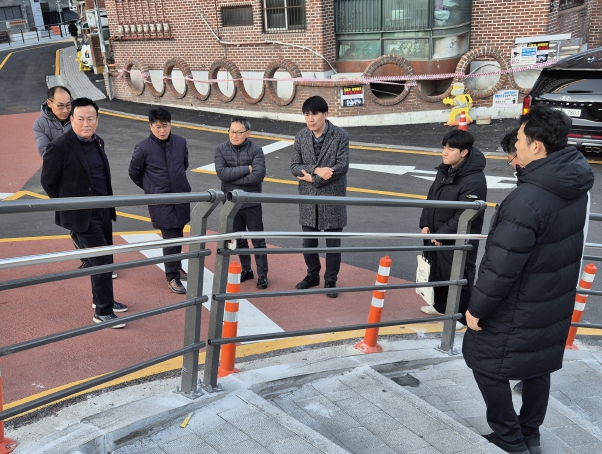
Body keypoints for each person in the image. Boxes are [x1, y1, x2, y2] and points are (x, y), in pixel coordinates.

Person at [463, 104, 594, 454]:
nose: (516, 145)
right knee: (537, 366)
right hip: (553, 297)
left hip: (519, 301)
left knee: (483, 361)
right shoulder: (573, 184)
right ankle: (530, 433)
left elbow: (502, 265)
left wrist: (476, 309)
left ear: (536, 146)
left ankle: (511, 439)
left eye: (520, 139)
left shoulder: (527, 199)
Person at [41, 98, 128, 328]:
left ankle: (102, 299)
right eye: (80, 119)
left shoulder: (98, 142)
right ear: (72, 119)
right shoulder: (59, 146)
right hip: (82, 215)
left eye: (90, 118)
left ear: (97, 120)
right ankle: (103, 312)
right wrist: (69, 206)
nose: (86, 123)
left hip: (104, 211)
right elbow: (48, 182)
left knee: (103, 259)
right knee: (102, 261)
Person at [419, 130, 487, 328]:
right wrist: (426, 223)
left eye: (450, 149)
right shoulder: (445, 170)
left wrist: (442, 234)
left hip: (459, 237)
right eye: (444, 148)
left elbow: (466, 213)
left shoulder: (474, 179)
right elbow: (431, 198)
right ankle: (441, 306)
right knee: (438, 270)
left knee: (459, 273)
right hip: (437, 233)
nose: (445, 152)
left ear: (464, 152)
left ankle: (461, 317)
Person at [290, 96, 349, 298]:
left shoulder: (340, 135)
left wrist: (312, 179)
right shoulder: (301, 136)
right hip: (308, 199)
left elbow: (341, 166)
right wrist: (317, 170)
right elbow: (294, 166)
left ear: (325, 114)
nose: (310, 119)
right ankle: (312, 275)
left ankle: (331, 280)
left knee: (333, 244)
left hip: (333, 198)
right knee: (308, 243)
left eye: (314, 114)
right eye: (307, 114)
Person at [129, 108, 191, 294]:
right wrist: (151, 188)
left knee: (178, 232)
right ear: (151, 126)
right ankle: (172, 276)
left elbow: (184, 165)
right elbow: (134, 173)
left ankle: (177, 266)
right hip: (161, 200)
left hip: (180, 196)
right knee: (170, 237)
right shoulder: (143, 148)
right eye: (157, 127)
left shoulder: (180, 142)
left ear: (170, 125)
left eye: (165, 126)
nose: (162, 130)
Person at [215, 117, 268, 289]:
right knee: (238, 239)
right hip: (231, 203)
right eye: (231, 131)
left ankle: (262, 275)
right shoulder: (220, 149)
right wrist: (247, 169)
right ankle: (247, 269)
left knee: (258, 240)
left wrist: (233, 179)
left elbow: (258, 176)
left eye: (239, 132)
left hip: (252, 202)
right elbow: (222, 174)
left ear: (248, 133)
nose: (234, 135)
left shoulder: (256, 150)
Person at [33, 86, 72, 158]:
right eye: (60, 106)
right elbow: (46, 152)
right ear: (49, 103)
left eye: (68, 105)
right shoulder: (40, 124)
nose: (65, 110)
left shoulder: (79, 119)